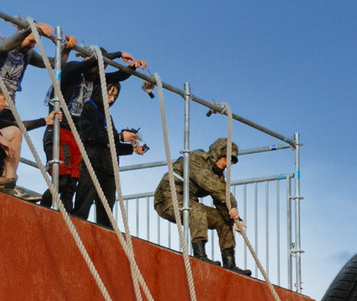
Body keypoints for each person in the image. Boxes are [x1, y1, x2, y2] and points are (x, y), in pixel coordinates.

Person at [53, 43, 147, 225]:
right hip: (88, 161)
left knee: (106, 216)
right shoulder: (87, 103)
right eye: (109, 94)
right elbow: (90, 135)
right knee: (78, 203)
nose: (111, 99)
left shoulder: (107, 116)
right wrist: (118, 53)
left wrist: (131, 147)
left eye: (115, 96)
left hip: (108, 168)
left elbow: (111, 143)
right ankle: (58, 214)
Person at [152, 137, 246, 270]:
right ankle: (200, 255)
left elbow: (220, 198)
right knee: (197, 209)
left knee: (222, 219)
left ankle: (230, 263)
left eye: (231, 161)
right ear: (217, 154)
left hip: (188, 203)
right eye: (226, 158)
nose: (227, 164)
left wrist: (234, 220)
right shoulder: (196, 159)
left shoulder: (218, 175)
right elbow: (214, 186)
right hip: (167, 201)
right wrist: (233, 205)